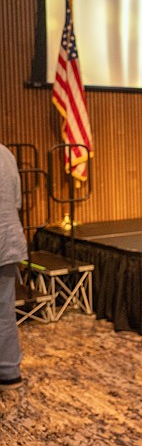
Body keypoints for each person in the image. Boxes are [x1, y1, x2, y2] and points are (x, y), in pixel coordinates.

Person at [0, 144, 26, 392]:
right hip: (9, 240)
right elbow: (17, 200)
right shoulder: (5, 154)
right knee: (5, 309)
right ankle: (9, 373)